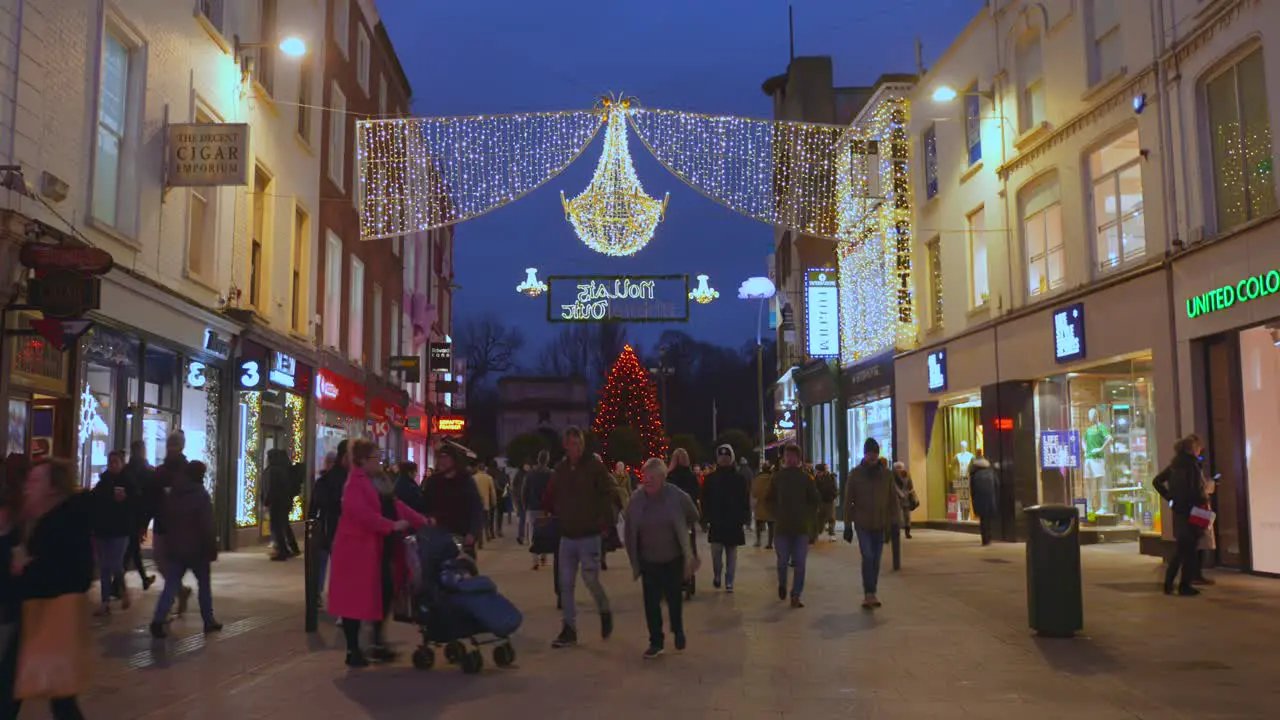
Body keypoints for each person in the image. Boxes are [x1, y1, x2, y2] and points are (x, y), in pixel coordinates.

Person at [328, 439, 428, 667]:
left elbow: (397, 507)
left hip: (378, 548)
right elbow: (360, 514)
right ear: (362, 460)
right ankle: (354, 650)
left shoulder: (381, 482)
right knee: (353, 601)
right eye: (376, 457)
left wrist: (423, 522)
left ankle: (375, 641)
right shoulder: (355, 483)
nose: (380, 461)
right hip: (356, 550)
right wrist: (390, 526)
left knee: (384, 592)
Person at [9, 458, 93, 719]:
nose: (27, 487)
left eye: (35, 481)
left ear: (53, 489)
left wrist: (24, 571)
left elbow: (73, 573)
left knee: (13, 686)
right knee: (61, 698)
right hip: (40, 616)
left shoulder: (63, 523)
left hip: (47, 617)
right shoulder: (45, 519)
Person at [544, 426, 615, 649]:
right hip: (567, 535)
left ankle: (604, 608)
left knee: (590, 578)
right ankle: (569, 628)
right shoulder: (561, 469)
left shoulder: (595, 468)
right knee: (565, 584)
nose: (576, 447)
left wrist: (605, 523)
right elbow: (552, 493)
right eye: (573, 443)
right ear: (566, 445)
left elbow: (607, 495)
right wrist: (548, 511)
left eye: (579, 443)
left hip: (589, 534)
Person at [624, 457, 701, 659]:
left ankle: (678, 629)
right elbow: (628, 522)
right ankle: (656, 641)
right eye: (644, 476)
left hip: (672, 558)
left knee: (674, 599)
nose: (647, 480)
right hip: (648, 560)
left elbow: (693, 513)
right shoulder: (637, 499)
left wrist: (685, 534)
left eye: (651, 477)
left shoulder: (675, 495)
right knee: (651, 603)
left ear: (662, 478)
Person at [149, 462, 221, 638]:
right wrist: (211, 547)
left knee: (171, 585)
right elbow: (206, 525)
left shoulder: (174, 493)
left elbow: (166, 518)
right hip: (198, 549)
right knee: (204, 585)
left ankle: (158, 620)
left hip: (176, 548)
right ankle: (208, 620)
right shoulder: (201, 496)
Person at [844, 438, 899, 609]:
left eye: (875, 453)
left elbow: (892, 500)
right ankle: (868, 593)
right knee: (867, 556)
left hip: (881, 523)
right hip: (862, 523)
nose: (872, 457)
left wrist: (894, 523)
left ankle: (872, 592)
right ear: (864, 454)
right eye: (870, 453)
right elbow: (848, 501)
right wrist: (847, 525)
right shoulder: (855, 474)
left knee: (876, 559)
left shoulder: (887, 475)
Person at [1153, 434, 1208, 596]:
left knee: (1180, 550)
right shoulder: (1193, 466)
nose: (1200, 451)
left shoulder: (1174, 465)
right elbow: (1195, 490)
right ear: (1192, 449)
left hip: (1179, 511)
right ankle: (1185, 585)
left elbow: (1156, 481)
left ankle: (1169, 583)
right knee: (1190, 550)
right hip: (1194, 510)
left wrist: (1170, 498)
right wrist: (1204, 499)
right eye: (1198, 448)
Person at [768, 444, 819, 608]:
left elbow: (814, 500)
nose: (790, 459)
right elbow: (769, 498)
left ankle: (796, 594)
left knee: (800, 563)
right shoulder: (778, 477)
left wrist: (808, 517)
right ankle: (782, 583)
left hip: (801, 528)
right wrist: (776, 513)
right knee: (782, 561)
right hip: (782, 528)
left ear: (798, 459)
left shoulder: (805, 478)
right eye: (787, 456)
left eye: (793, 456)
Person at [91, 450, 137, 615]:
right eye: (110, 462)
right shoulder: (103, 481)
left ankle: (123, 591)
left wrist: (125, 500)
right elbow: (94, 500)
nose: (112, 465)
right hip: (102, 529)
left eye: (115, 462)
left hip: (120, 529)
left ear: (122, 463)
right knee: (104, 566)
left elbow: (134, 503)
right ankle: (105, 602)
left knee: (115, 564)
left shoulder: (128, 482)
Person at [151, 433, 193, 613]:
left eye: (175, 444)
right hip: (161, 523)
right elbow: (151, 496)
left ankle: (164, 610)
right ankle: (180, 591)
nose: (172, 447)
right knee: (161, 563)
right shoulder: (161, 470)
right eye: (170, 444)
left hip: (179, 526)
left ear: (182, 446)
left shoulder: (187, 469)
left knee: (173, 565)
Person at [419, 445, 484, 558]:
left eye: (445, 457)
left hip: (462, 538)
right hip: (438, 537)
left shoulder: (466, 481)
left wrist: (473, 533)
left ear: (454, 460)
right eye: (439, 457)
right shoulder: (433, 482)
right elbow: (423, 506)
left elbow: (476, 508)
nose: (441, 461)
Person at [700, 445, 750, 592]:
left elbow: (744, 500)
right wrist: (704, 519)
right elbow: (705, 500)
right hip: (716, 522)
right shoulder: (710, 479)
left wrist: (745, 517)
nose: (723, 459)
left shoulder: (739, 479)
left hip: (733, 522)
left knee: (731, 555)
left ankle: (729, 581)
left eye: (727, 457)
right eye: (721, 457)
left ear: (731, 458)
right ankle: (717, 575)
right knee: (716, 553)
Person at [310, 440, 349, 601]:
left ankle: (319, 594)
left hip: (327, 527)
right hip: (333, 528)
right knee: (335, 564)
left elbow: (314, 507)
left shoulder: (325, 480)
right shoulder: (344, 479)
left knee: (325, 562)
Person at [123, 441, 155, 591]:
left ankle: (142, 580)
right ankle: (116, 585)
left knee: (132, 548)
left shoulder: (127, 469)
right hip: (138, 514)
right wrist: (145, 521)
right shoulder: (146, 470)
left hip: (127, 513)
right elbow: (149, 498)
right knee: (132, 549)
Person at [522, 451, 554, 569]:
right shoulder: (551, 474)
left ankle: (535, 560)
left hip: (532, 507)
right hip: (546, 507)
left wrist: (525, 505)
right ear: (547, 460)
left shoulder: (530, 474)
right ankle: (544, 556)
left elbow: (524, 491)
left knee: (532, 533)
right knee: (546, 532)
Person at [264, 449, 296, 561]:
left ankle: (282, 550)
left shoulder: (273, 470)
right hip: (284, 502)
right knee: (281, 526)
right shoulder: (283, 469)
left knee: (276, 527)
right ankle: (286, 549)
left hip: (276, 503)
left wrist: (266, 501)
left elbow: (271, 488)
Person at [969, 449, 999, 546]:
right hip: (990, 498)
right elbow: (997, 485)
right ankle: (989, 537)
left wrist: (973, 501)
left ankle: (985, 539)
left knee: (983, 520)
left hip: (979, 499)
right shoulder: (991, 472)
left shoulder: (974, 474)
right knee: (989, 519)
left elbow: (972, 490)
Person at [472, 461, 497, 546]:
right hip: (485, 503)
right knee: (486, 520)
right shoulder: (488, 478)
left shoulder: (473, 478)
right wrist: (494, 501)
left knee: (478, 522)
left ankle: (480, 540)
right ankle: (487, 534)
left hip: (475, 503)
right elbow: (492, 491)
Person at [751, 462, 775, 549]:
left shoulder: (757, 478)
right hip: (770, 504)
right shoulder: (773, 478)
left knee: (758, 523)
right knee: (771, 524)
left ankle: (758, 541)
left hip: (760, 504)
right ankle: (770, 543)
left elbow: (754, 492)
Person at [813, 463, 838, 542]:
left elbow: (835, 488)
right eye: (817, 472)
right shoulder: (815, 479)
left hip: (829, 500)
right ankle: (818, 532)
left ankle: (832, 534)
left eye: (819, 472)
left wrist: (833, 496)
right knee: (819, 518)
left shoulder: (830, 478)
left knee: (831, 517)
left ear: (823, 472)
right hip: (820, 501)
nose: (817, 473)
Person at [893, 462, 917, 540]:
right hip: (896, 498)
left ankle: (907, 532)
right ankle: (896, 531)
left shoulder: (907, 476)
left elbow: (911, 487)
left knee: (907, 516)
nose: (899, 469)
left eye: (900, 467)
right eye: (897, 468)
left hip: (906, 498)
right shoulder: (893, 477)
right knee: (897, 516)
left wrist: (912, 495)